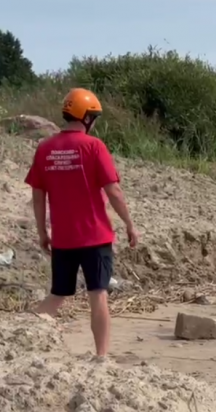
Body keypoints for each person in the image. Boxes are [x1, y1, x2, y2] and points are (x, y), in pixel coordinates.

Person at [25, 88, 138, 358]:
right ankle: (101, 357)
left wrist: (43, 232)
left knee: (58, 295)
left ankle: (22, 335)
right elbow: (114, 192)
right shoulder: (93, 146)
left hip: (63, 238)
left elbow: (38, 196)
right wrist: (130, 224)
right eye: (94, 117)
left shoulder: (45, 148)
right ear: (86, 117)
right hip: (95, 237)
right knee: (98, 295)